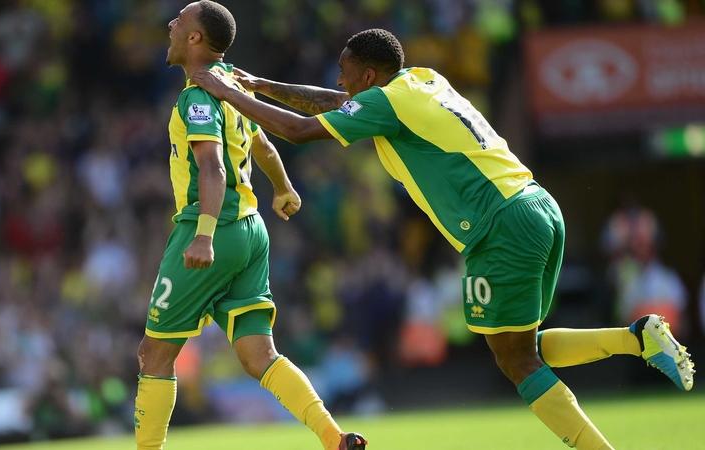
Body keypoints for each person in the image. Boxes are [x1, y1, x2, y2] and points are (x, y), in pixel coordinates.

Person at [191, 28, 696, 449]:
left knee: (517, 361)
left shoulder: (387, 102)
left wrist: (228, 93)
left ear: (369, 76)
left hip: (497, 224)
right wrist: (259, 84)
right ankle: (637, 339)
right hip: (535, 204)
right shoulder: (423, 80)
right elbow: (339, 103)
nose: (338, 80)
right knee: (522, 347)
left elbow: (302, 131)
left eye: (344, 72)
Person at [134, 3, 367, 450]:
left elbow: (213, 168)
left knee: (154, 354)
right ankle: (333, 436)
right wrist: (283, 187)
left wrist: (203, 234)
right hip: (251, 230)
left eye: (180, 20)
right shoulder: (235, 84)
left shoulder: (198, 95)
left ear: (195, 38)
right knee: (260, 355)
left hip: (212, 227)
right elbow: (262, 144)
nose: (171, 24)